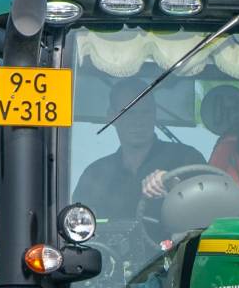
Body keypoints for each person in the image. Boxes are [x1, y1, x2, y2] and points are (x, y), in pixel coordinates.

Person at [70, 81, 205, 218]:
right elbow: (75, 225)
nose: (138, 121)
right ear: (112, 117)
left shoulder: (187, 159)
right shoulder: (94, 175)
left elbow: (211, 206)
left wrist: (173, 184)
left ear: (154, 114)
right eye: (129, 112)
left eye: (145, 112)